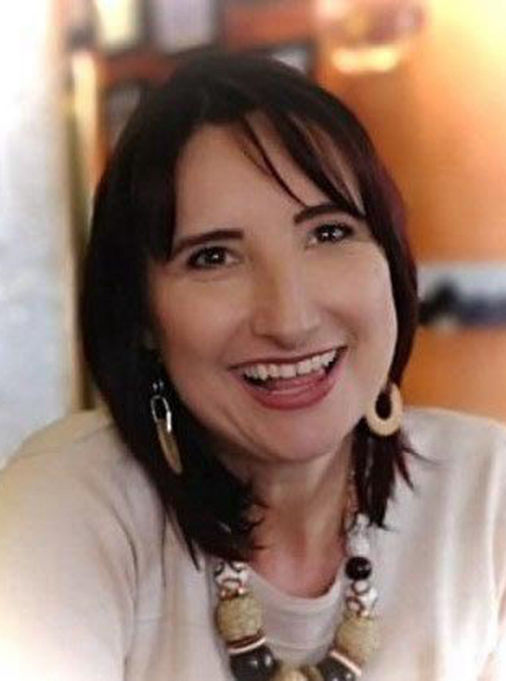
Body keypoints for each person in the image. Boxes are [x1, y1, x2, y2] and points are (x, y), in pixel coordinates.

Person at [0, 53, 504, 681]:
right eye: (213, 257)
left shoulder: (487, 493)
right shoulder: (68, 506)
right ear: (142, 317)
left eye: (328, 233)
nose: (290, 320)